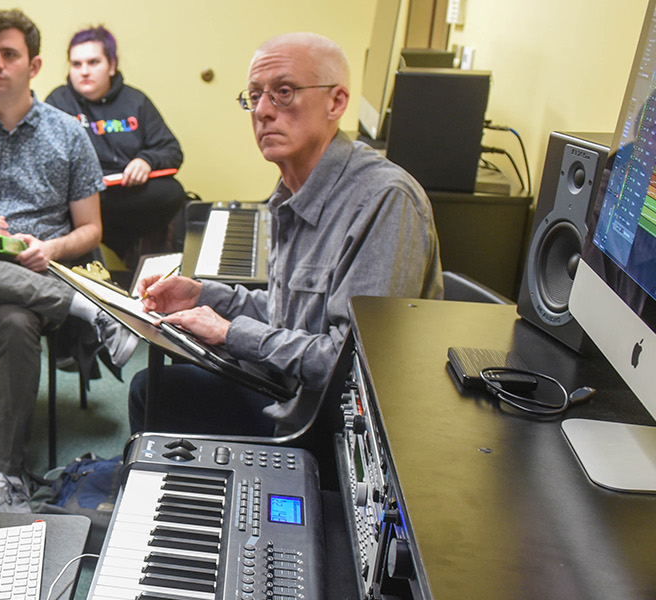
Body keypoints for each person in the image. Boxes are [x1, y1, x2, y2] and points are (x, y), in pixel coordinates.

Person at [129, 32, 443, 438]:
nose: (262, 111)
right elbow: (287, 312)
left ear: (337, 102)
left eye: (284, 92)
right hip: (286, 388)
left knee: (156, 392)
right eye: (254, 96)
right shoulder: (291, 190)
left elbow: (350, 366)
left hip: (328, 426)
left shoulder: (384, 202)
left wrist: (229, 332)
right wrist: (203, 295)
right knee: (162, 382)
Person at [0, 9, 137, 513]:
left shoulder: (67, 134)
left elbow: (91, 230)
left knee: (16, 322)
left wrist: (50, 248)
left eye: (8, 54)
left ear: (33, 65)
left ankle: (8, 471)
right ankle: (86, 308)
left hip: (35, 272)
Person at [45, 26, 187, 265]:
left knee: (173, 192)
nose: (84, 72)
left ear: (111, 65)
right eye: (76, 64)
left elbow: (171, 150)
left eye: (93, 62)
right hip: (86, 196)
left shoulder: (136, 100)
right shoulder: (57, 102)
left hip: (130, 193)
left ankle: (140, 254)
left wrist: (146, 161)